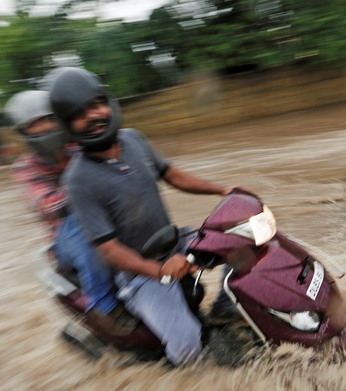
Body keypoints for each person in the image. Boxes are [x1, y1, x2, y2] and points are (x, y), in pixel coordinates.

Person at [49, 67, 235, 366]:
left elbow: (171, 175)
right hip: (140, 275)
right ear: (69, 125)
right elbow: (108, 249)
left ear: (108, 103)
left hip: (176, 243)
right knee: (187, 346)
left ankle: (226, 311)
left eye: (97, 104)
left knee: (243, 240)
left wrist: (223, 190)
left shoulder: (134, 139)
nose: (93, 115)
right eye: (80, 114)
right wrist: (159, 270)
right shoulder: (78, 180)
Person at [5, 90, 124, 326]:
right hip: (67, 237)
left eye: (48, 119)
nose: (44, 127)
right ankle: (104, 305)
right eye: (34, 124)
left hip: (105, 220)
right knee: (80, 222)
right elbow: (46, 203)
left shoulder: (80, 148)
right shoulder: (26, 168)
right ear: (24, 132)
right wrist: (87, 190)